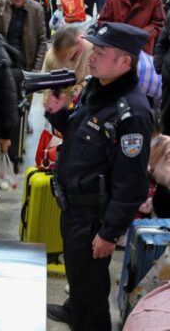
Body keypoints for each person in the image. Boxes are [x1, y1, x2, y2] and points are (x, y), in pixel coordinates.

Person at [45, 22, 153, 331]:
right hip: (74, 208)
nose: (91, 56)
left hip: (94, 216)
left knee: (91, 293)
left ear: (124, 62)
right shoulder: (97, 87)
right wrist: (57, 114)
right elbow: (80, 133)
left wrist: (108, 233)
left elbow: (132, 185)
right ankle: (73, 310)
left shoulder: (131, 113)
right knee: (80, 277)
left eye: (101, 52)